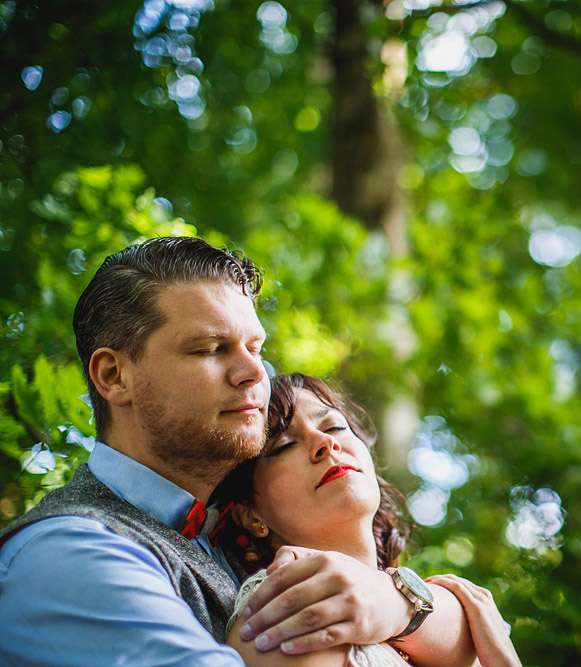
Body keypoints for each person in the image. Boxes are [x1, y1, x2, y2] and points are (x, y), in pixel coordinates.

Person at [0, 237, 474, 666]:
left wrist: (397, 601)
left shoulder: (231, 539)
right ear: (113, 376)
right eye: (210, 349)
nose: (254, 374)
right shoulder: (70, 553)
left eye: (255, 348)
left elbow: (467, 621)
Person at [214, 372, 521, 667]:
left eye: (335, 426)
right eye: (284, 445)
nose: (325, 442)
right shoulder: (280, 606)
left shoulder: (444, 613)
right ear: (251, 514)